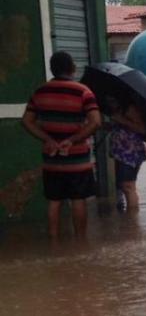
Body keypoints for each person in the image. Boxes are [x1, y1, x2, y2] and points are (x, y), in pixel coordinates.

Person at [22, 51, 101, 238]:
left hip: (51, 158)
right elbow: (96, 122)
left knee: (54, 201)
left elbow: (26, 121)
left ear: (52, 69)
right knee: (78, 200)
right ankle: (81, 242)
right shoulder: (83, 92)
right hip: (77, 158)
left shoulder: (39, 92)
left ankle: (54, 244)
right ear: (72, 68)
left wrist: (47, 139)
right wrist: (72, 140)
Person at [105, 95, 146, 212]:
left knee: (128, 187)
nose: (110, 102)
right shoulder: (116, 111)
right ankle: (128, 221)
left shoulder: (130, 109)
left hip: (130, 154)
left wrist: (122, 120)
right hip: (120, 154)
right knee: (124, 186)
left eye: (112, 100)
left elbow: (142, 129)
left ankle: (132, 222)